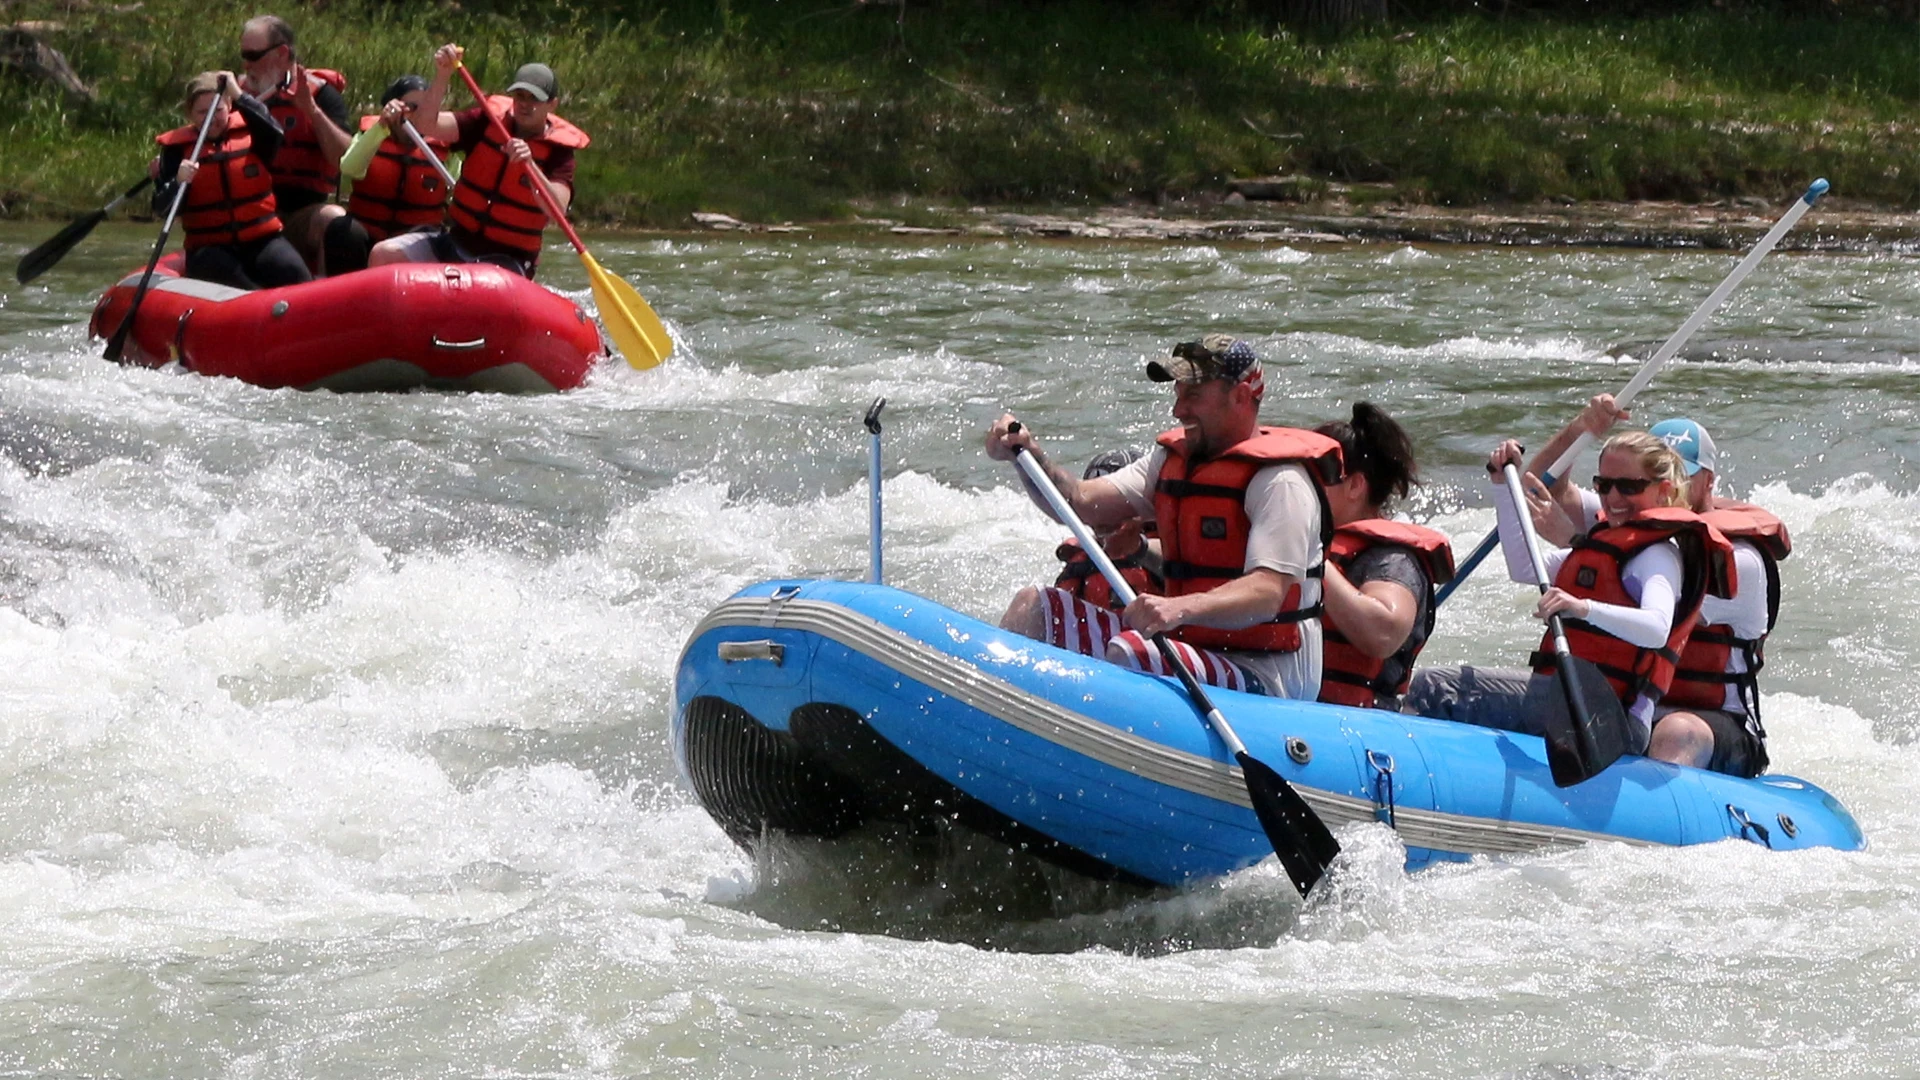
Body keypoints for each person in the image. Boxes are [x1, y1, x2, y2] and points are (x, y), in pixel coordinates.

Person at [985, 335, 1343, 699]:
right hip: (1191, 649)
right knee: (1036, 608)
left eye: (1193, 396)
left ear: (1240, 395)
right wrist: (1026, 455)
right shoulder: (1170, 461)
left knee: (1131, 651)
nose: (1178, 410)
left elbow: (1267, 593)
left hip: (1267, 674)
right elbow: (1081, 502)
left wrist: (1178, 608)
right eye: (1178, 394)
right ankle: (992, 716)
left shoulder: (1280, 482)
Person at [1404, 432, 1733, 766]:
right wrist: (1503, 487)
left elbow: (1657, 628)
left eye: (1629, 486)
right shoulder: (1611, 544)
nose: (1613, 497)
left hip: (1610, 719)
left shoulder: (1658, 555)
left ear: (1663, 490)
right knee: (1441, 685)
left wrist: (1582, 607)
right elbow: (1523, 567)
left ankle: (1408, 773)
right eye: (1603, 484)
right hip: (1576, 704)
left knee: (1435, 686)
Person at [1518, 398, 1780, 776]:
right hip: (1631, 703)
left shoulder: (1738, 559)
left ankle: (1651, 822)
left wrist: (1578, 542)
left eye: (1683, 476)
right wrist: (1581, 430)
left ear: (1708, 481)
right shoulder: (1626, 516)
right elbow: (1540, 489)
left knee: (1677, 731)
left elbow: (1646, 600)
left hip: (1716, 721)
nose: (1670, 489)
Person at [368, 44, 589, 279]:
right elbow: (425, 125)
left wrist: (531, 165)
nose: (525, 104)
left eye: (535, 99)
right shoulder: (486, 121)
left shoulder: (559, 152)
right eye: (520, 96)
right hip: (455, 241)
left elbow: (557, 210)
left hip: (508, 258)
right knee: (384, 253)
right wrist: (442, 75)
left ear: (552, 104)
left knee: (480, 284)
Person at [1313, 403, 1455, 711]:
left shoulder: (1392, 559)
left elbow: (1384, 633)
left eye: (1316, 477)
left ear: (1355, 486)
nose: (1303, 487)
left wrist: (1311, 557)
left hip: (1362, 720)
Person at [149, 71, 312, 291]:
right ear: (189, 114)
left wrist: (238, 94)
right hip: (210, 249)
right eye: (202, 112)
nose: (211, 119)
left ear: (229, 106)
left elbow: (274, 131)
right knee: (239, 284)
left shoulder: (255, 134)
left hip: (261, 241)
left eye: (217, 111)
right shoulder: (176, 151)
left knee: (296, 274)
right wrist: (178, 183)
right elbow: (161, 208)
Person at [999, 448, 1164, 656]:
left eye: (1114, 505)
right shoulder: (1084, 559)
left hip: (1158, 648)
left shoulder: (1169, 543)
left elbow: (1181, 570)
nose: (1103, 516)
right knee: (1030, 601)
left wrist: (1139, 547)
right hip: (1106, 649)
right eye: (1098, 507)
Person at [237, 15, 350, 269]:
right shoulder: (237, 94)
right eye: (243, 55)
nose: (246, 65)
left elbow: (343, 159)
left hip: (301, 214)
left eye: (253, 56)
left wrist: (312, 112)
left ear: (282, 53)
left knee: (334, 219)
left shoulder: (321, 94)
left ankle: (324, 294)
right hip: (249, 214)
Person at [319, 75, 452, 275]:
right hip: (369, 233)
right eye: (411, 107)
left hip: (414, 241)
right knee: (343, 231)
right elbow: (349, 167)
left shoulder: (443, 149)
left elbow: (456, 192)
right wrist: (381, 128)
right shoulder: (372, 134)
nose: (418, 116)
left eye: (426, 109)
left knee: (437, 239)